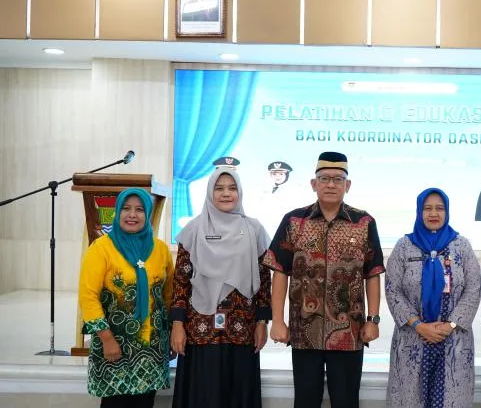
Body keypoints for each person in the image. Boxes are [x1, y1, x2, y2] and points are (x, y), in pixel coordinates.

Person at [264, 151, 385, 408]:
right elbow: (280, 272)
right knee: (306, 401)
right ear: (313, 183)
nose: (331, 184)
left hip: (349, 333)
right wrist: (277, 321)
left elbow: (372, 274)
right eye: (324, 178)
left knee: (346, 401)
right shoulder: (294, 221)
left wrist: (373, 320)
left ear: (347, 185)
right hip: (304, 332)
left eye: (338, 179)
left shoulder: (363, 222)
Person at [170, 166, 272, 408]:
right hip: (200, 330)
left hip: (242, 328)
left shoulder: (254, 229)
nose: (226, 193)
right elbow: (181, 281)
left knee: (238, 394)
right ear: (210, 192)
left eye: (232, 188)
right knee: (202, 396)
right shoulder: (194, 230)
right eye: (219, 188)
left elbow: (263, 280)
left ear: (240, 192)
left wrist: (262, 322)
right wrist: (177, 325)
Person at [78, 188, 174, 408]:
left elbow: (168, 296)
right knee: (115, 403)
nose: (132, 215)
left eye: (139, 209)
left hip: (150, 349)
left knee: (145, 402)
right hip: (114, 345)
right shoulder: (101, 248)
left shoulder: (160, 249)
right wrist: (106, 338)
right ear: (117, 212)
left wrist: (168, 334)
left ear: (147, 214)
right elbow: (88, 296)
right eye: (126, 208)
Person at [386, 188, 481, 407]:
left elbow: (473, 289)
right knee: (410, 399)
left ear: (447, 212)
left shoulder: (461, 246)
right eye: (427, 208)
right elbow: (392, 290)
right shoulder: (404, 246)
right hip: (412, 339)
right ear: (419, 212)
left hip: (454, 340)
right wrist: (419, 326)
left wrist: (450, 325)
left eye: (440, 208)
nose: (434, 213)